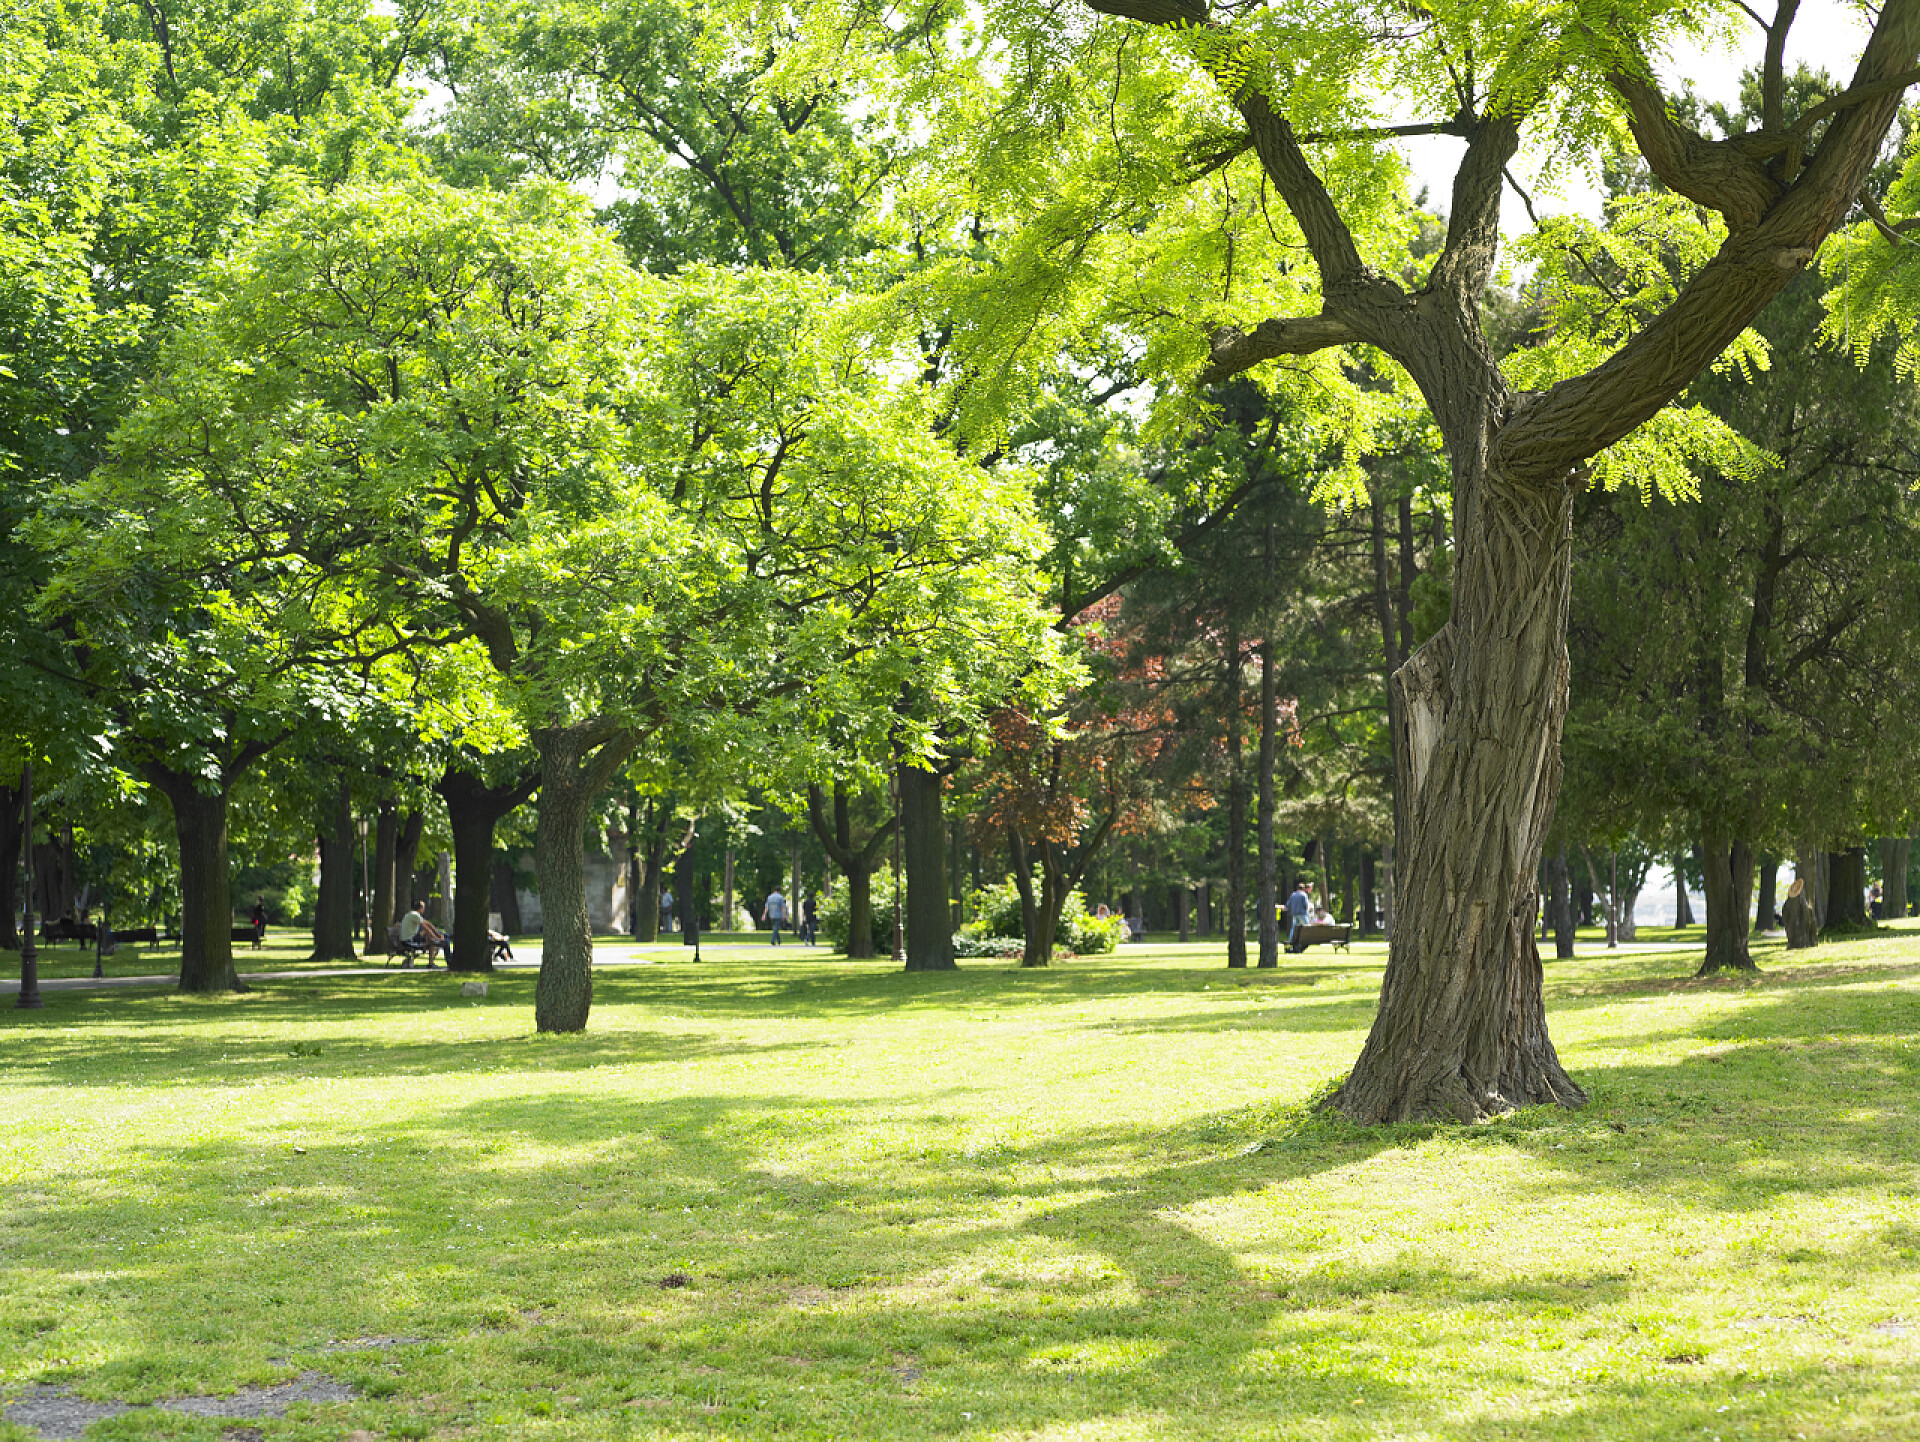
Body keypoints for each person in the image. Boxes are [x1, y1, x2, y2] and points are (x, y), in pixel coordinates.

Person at [397, 901, 446, 968]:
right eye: (423, 907)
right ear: (421, 908)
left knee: (429, 936)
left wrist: (439, 935)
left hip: (409, 938)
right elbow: (426, 928)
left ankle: (431, 957)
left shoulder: (411, 914)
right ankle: (431, 963)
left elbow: (429, 924)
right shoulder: (415, 915)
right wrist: (436, 938)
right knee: (431, 940)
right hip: (409, 940)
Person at [1285, 878, 1312, 953]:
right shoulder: (1304, 895)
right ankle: (1308, 938)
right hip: (1302, 914)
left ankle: (1291, 939)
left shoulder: (1292, 895)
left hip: (1294, 914)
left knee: (1294, 928)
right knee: (1307, 926)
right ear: (1303, 889)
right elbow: (1305, 905)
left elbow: (1288, 905)